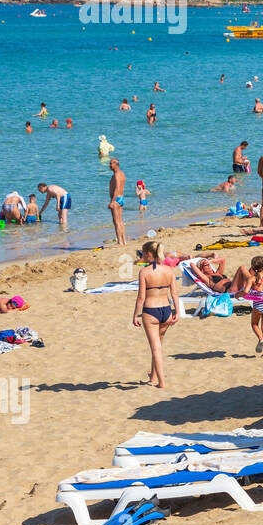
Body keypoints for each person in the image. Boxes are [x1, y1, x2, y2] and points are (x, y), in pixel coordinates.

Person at [133, 240, 178, 388]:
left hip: (151, 311)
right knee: (158, 344)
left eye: (143, 253)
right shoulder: (169, 270)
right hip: (166, 310)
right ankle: (153, 376)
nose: (142, 256)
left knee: (155, 348)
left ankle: (161, 382)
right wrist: (177, 311)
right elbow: (174, 294)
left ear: (149, 254)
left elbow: (141, 297)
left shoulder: (144, 272)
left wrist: (135, 315)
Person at [107, 158, 126, 244]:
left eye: (111, 164)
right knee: (120, 221)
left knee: (116, 221)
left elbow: (117, 188)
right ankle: (124, 240)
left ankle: (120, 241)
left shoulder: (117, 174)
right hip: (121, 198)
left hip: (116, 199)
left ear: (116, 164)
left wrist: (112, 201)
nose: (109, 165)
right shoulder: (122, 173)